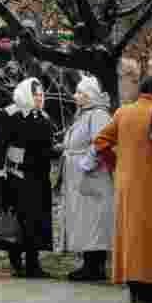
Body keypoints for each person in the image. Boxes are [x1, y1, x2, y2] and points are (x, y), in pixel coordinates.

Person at [93, 76, 152, 303]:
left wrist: (116, 165)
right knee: (151, 237)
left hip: (125, 185)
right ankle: (147, 292)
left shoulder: (123, 112)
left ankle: (135, 291)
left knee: (130, 237)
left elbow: (100, 141)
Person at [0, 78, 55, 278]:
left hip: (39, 176)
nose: (40, 99)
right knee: (17, 220)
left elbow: (45, 147)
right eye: (36, 95)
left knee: (36, 220)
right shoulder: (9, 114)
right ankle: (16, 260)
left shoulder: (44, 117)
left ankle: (34, 263)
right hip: (16, 176)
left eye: (42, 95)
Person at [60, 76, 113, 282]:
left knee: (93, 218)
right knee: (85, 218)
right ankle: (89, 263)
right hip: (81, 177)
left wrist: (85, 164)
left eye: (80, 93)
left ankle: (94, 265)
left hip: (92, 178)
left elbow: (100, 143)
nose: (76, 96)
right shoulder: (85, 115)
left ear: (89, 95)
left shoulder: (98, 115)